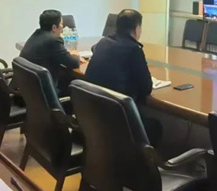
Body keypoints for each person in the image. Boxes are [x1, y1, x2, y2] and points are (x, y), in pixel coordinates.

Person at [84, 9, 162, 146]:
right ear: (136, 29)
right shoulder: (134, 49)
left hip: (94, 116)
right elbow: (146, 88)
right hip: (118, 119)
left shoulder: (103, 42)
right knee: (156, 127)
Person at [20, 9, 80, 94]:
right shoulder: (53, 41)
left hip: (29, 90)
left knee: (66, 76)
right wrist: (76, 55)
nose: (62, 27)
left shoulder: (36, 34)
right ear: (54, 27)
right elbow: (74, 64)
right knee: (79, 87)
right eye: (61, 24)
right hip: (45, 93)